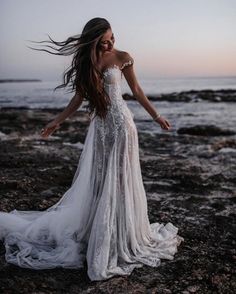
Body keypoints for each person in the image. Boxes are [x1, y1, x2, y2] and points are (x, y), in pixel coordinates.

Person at [0, 17, 184, 281]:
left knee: (121, 178)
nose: (111, 42)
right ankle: (97, 231)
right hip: (99, 129)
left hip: (122, 127)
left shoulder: (123, 57)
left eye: (112, 37)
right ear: (95, 40)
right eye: (105, 39)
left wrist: (156, 116)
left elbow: (137, 90)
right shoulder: (88, 63)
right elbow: (78, 98)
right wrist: (56, 121)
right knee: (100, 179)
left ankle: (122, 232)